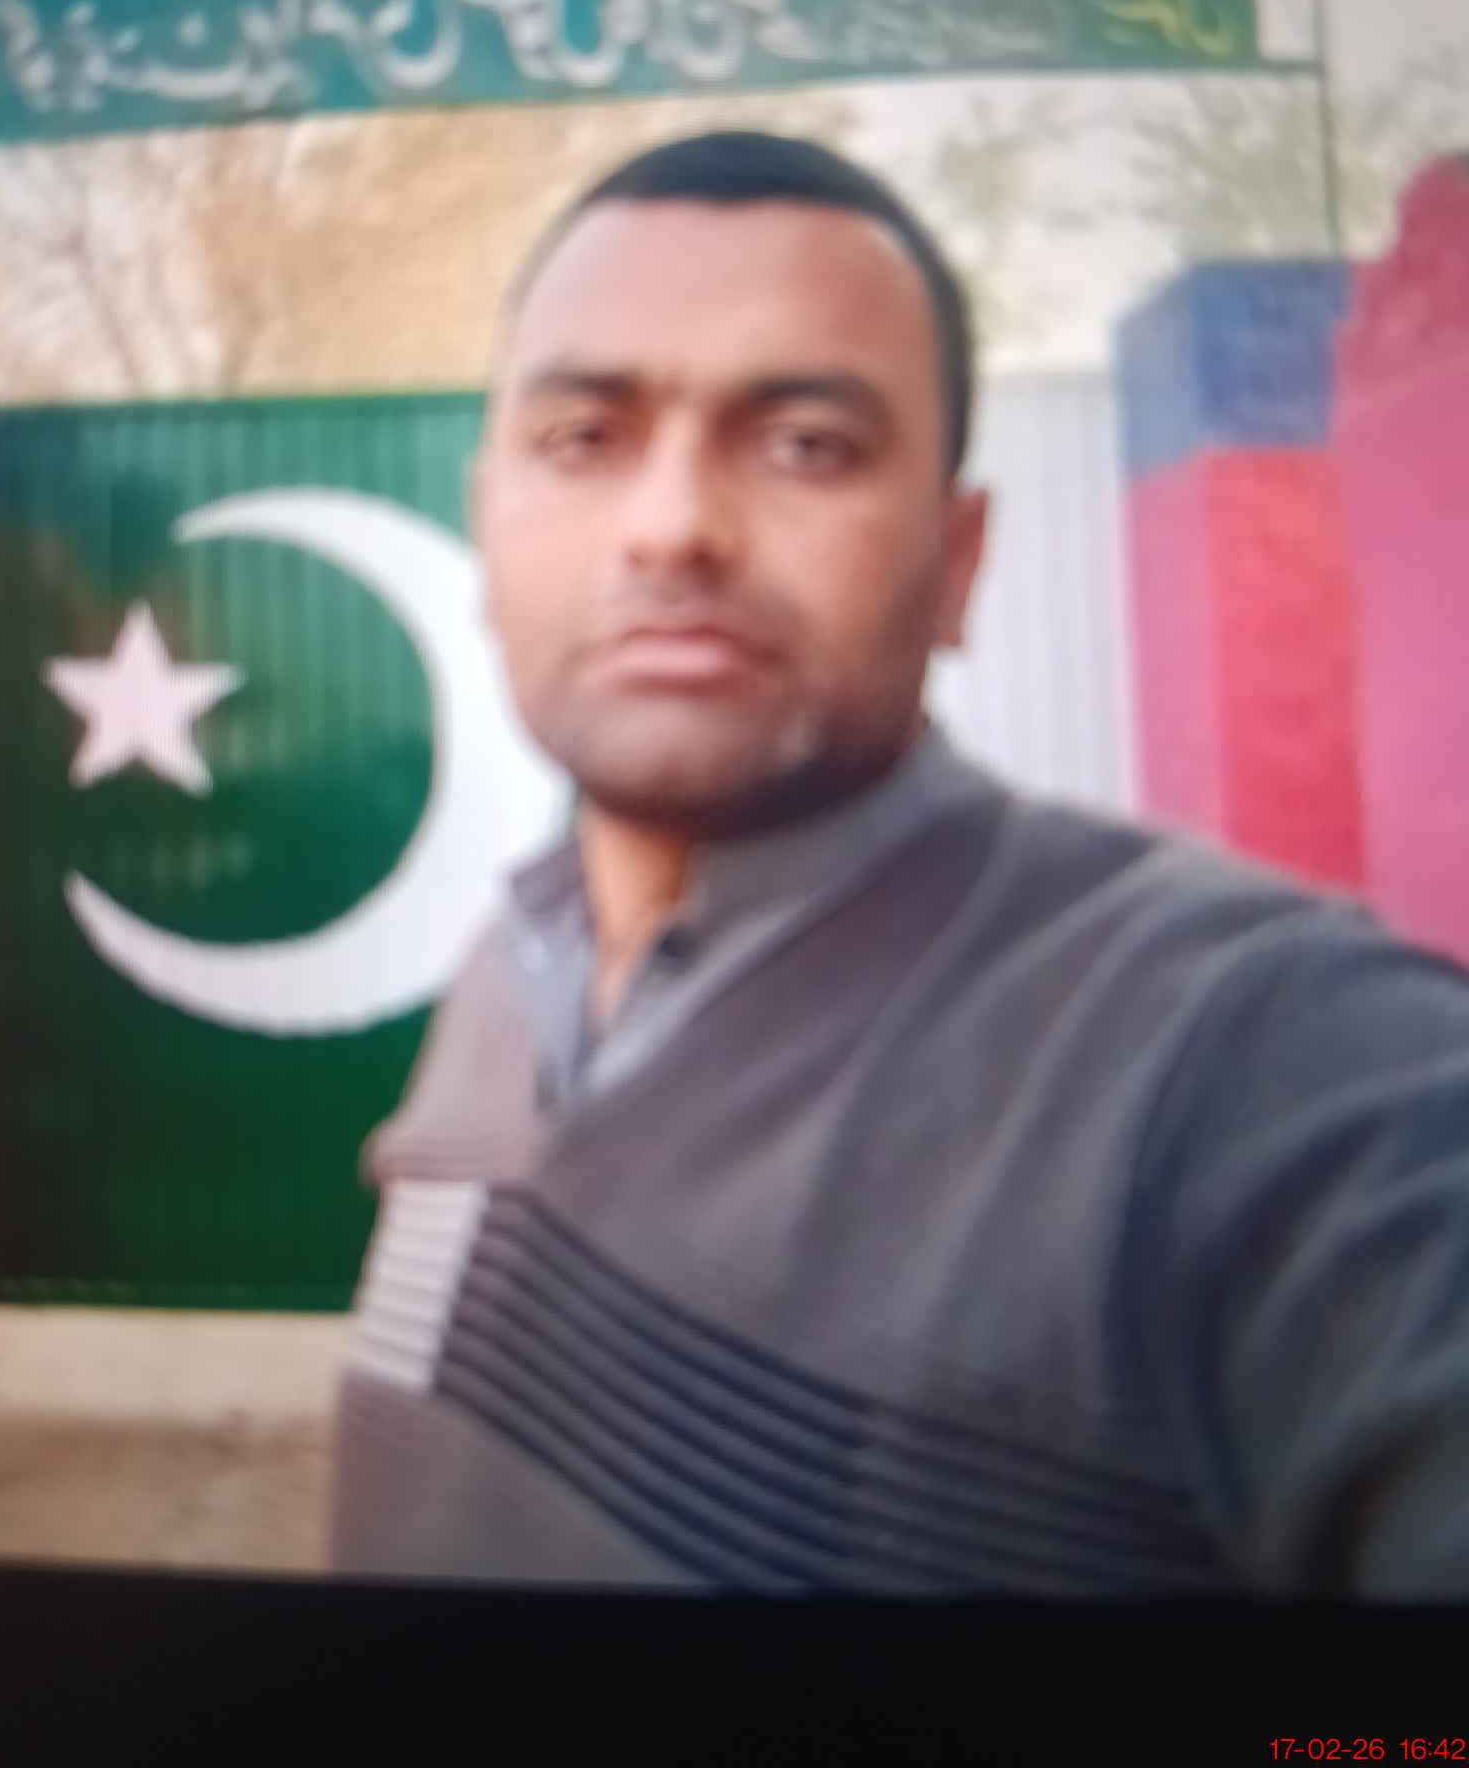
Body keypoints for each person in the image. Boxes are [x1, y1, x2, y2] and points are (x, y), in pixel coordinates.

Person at [330, 129, 1469, 1596]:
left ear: (959, 561)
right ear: (487, 524)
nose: (673, 529)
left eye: (807, 445)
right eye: (584, 439)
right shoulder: (507, 964)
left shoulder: (1267, 1060)